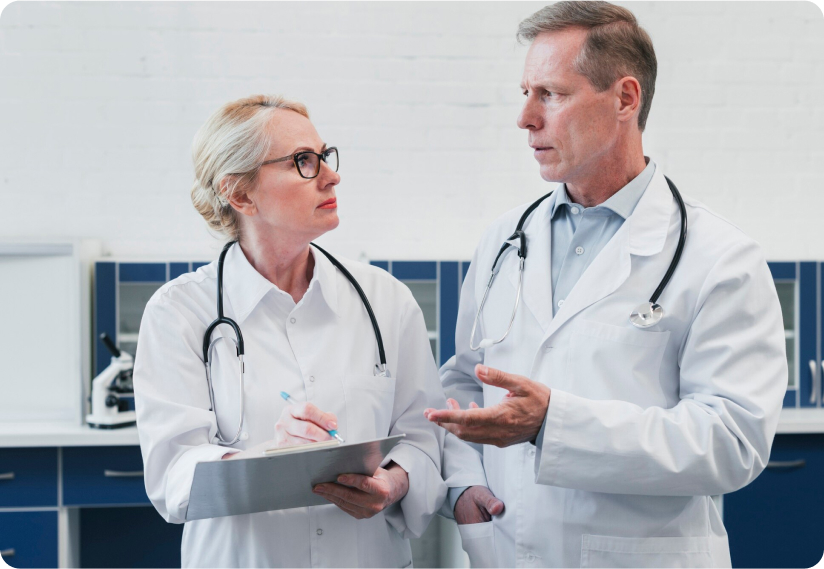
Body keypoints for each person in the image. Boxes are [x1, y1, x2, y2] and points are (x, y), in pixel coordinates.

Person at [426, 2, 787, 567]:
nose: (525, 118)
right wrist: (463, 487)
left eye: (551, 94)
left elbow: (731, 441)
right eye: (525, 92)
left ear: (625, 99)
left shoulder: (720, 257)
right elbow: (464, 384)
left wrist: (553, 423)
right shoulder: (504, 241)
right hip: (504, 549)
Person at [134, 94, 459, 568]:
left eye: (325, 155)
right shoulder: (179, 313)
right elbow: (173, 475)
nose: (331, 175)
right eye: (303, 161)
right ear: (240, 195)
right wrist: (269, 462)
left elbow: (423, 436)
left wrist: (392, 483)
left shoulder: (385, 300)